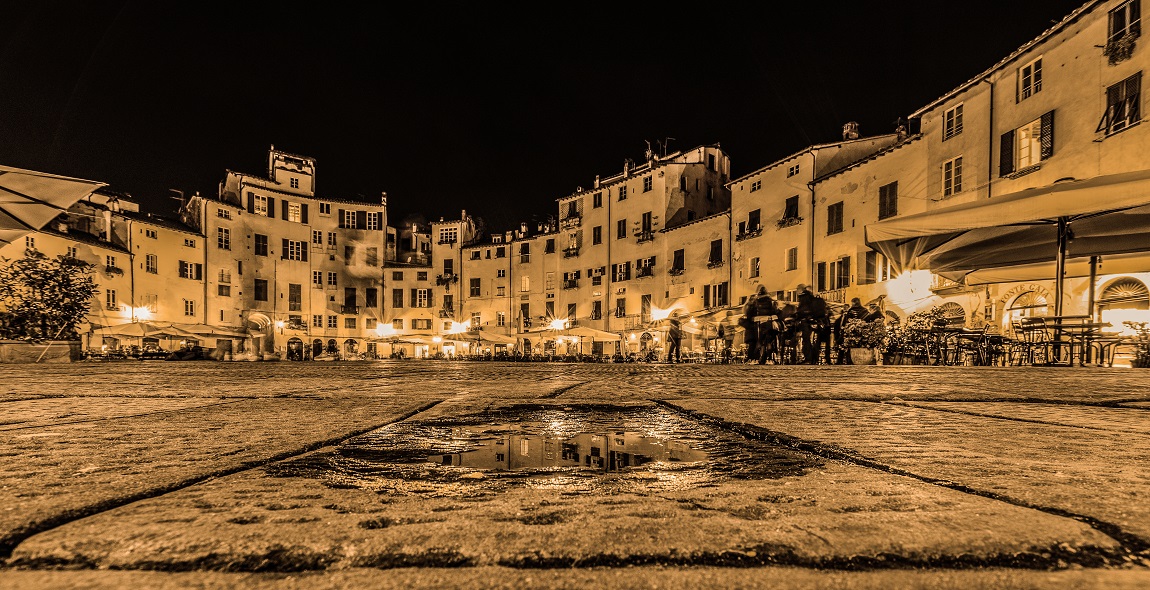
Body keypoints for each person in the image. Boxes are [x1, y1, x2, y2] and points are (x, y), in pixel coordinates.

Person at [796, 284, 831, 364]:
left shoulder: (804, 298)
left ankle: (809, 358)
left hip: (807, 322)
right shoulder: (818, 300)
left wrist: (798, 317)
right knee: (816, 341)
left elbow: (801, 311)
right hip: (818, 321)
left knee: (806, 339)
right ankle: (815, 358)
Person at [834, 298, 869, 364]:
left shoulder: (851, 311)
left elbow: (847, 321)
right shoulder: (865, 310)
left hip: (851, 331)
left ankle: (849, 360)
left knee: (848, 346)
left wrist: (844, 329)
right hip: (862, 332)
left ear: (853, 303)